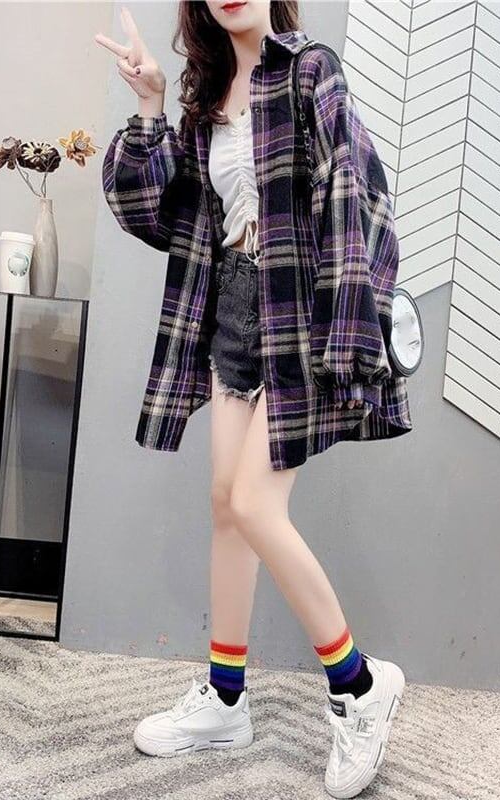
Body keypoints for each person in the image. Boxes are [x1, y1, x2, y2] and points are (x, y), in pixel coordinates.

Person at [95, 2, 411, 797]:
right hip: (230, 307)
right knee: (226, 507)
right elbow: (152, 214)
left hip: (297, 312)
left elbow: (355, 197)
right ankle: (227, 699)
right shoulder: (206, 97)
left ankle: (360, 685)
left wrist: (346, 330)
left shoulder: (309, 70)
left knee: (255, 505)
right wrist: (150, 103)